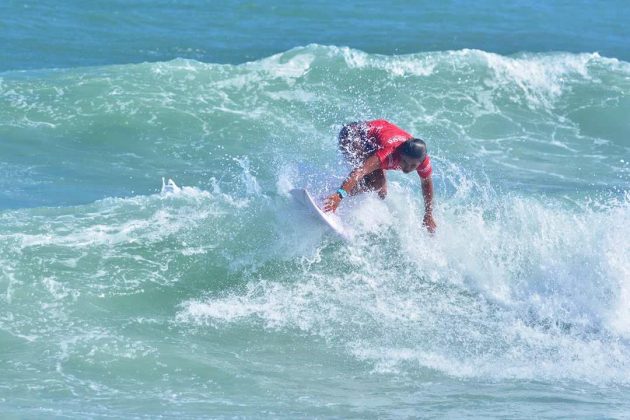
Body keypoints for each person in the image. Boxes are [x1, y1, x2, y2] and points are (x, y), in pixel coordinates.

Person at [323, 119, 436, 233]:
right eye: (405, 162)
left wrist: (428, 214)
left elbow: (426, 183)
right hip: (352, 135)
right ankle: (333, 197)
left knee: (381, 188)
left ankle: (338, 195)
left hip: (372, 141)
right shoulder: (390, 152)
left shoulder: (422, 160)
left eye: (413, 166)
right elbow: (360, 171)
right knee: (376, 182)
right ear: (400, 154)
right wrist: (340, 195)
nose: (407, 168)